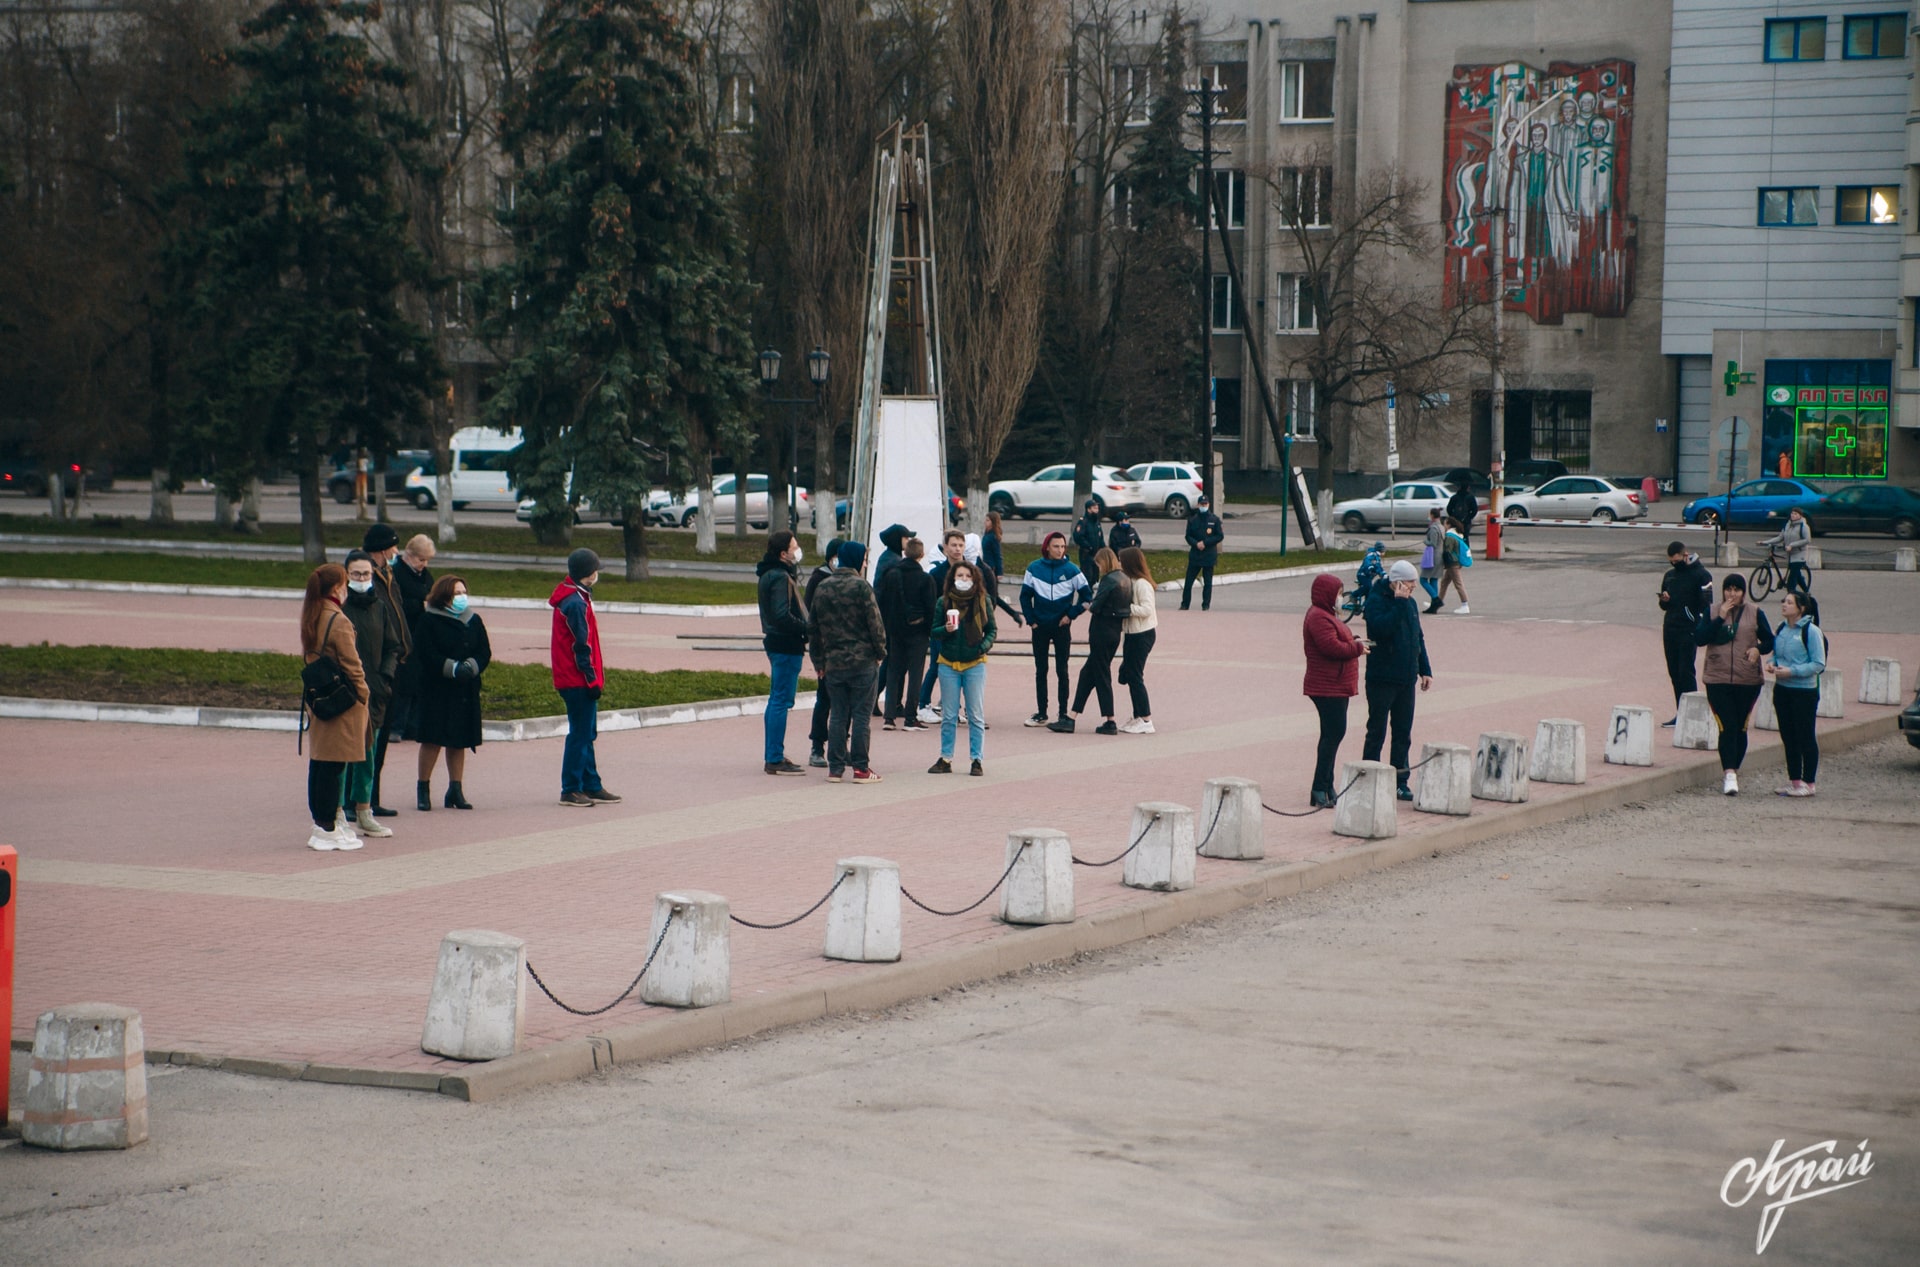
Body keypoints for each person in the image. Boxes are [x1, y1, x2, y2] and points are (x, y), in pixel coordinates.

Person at [807, 541, 888, 783]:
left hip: (834, 663)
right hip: (863, 662)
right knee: (862, 715)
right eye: (864, 559)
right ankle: (861, 768)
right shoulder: (862, 587)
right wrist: (880, 651)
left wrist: (818, 661)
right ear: (856, 559)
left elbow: (813, 628)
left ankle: (835, 767)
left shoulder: (823, 587)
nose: (865, 563)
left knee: (838, 714)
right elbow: (876, 624)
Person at [300, 564, 368, 852]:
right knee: (334, 767)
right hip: (342, 701)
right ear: (335, 588)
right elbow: (352, 663)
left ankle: (322, 823)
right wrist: (363, 693)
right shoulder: (337, 619)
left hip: (320, 698)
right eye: (344, 582)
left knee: (320, 763)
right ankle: (327, 827)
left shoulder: (313, 613)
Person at [411, 574, 491, 809]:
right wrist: (451, 668)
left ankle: (455, 789)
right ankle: (423, 788)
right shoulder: (429, 620)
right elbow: (425, 653)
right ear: (444, 595)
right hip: (437, 689)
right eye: (456, 593)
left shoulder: (473, 620)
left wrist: (472, 666)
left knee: (459, 741)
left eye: (463, 592)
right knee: (432, 739)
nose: (461, 597)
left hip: (465, 689)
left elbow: (484, 651)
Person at [552, 547, 620, 807]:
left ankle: (591, 784)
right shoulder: (575, 604)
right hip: (577, 680)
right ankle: (570, 788)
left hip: (577, 678)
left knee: (587, 733)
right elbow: (581, 646)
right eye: (595, 570)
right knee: (580, 734)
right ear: (588, 574)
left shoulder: (577, 597)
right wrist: (591, 680)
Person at [339, 550, 399, 839]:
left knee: (368, 754)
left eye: (366, 574)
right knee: (340, 755)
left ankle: (364, 811)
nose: (362, 579)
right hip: (345, 693)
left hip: (374, 693)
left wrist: (385, 677)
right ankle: (338, 812)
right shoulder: (339, 609)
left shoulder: (380, 608)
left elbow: (393, 646)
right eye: (356, 574)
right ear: (346, 576)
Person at [1362, 560, 1434, 801]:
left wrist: (1424, 669)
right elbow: (1381, 629)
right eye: (1409, 586)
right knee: (1377, 730)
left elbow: (1418, 637)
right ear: (1396, 583)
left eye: (1414, 587)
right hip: (1382, 678)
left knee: (1403, 732)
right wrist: (1400, 603)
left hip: (1406, 678)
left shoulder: (1410, 603)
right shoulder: (1376, 601)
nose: (1412, 590)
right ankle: (1369, 776)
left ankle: (1400, 781)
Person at [1696, 573, 1774, 796]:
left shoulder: (1755, 612)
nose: (1732, 594)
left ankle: (1735, 769)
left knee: (1740, 727)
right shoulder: (1711, 611)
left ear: (1743, 592)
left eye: (1736, 590)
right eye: (1728, 589)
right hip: (1717, 678)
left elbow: (1770, 640)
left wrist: (1758, 649)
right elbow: (1700, 638)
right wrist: (1719, 618)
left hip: (1747, 679)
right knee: (1726, 725)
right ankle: (1728, 773)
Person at [361, 523, 412, 817]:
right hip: (378, 668)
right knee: (369, 738)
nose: (396, 551)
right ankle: (359, 799)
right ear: (381, 548)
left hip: (394, 665)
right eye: (392, 546)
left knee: (380, 740)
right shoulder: (368, 577)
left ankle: (372, 796)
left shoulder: (387, 575)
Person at [1303, 571, 1367, 807]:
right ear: (1327, 594)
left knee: (1334, 734)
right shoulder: (1318, 617)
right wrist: (1357, 648)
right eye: (1339, 594)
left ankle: (1327, 785)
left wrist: (1355, 642)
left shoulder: (1327, 615)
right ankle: (1319, 788)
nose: (1341, 598)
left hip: (1336, 685)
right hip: (1326, 686)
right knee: (1332, 735)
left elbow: (1340, 641)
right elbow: (1331, 648)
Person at [929, 559, 996, 775]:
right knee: (949, 715)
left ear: (975, 579)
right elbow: (934, 631)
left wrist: (982, 647)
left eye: (968, 576)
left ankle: (977, 759)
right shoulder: (944, 602)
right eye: (960, 576)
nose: (964, 580)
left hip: (974, 663)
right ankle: (945, 758)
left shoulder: (983, 601)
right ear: (952, 579)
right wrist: (945, 629)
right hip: (948, 663)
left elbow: (992, 630)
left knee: (975, 714)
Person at [1052, 548, 1127, 735]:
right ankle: (1071, 717)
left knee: (1101, 675)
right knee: (1088, 674)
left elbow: (1096, 606)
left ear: (1105, 562)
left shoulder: (1109, 580)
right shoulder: (1124, 579)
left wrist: (1088, 605)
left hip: (1101, 632)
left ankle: (1110, 720)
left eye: (1099, 564)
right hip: (1115, 632)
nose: (1099, 568)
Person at [1019, 531, 1088, 727]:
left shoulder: (1073, 570)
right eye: (1056, 546)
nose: (1060, 550)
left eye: (1063, 546)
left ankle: (1063, 712)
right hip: (1039, 626)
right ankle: (1041, 712)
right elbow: (1024, 597)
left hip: (1061, 627)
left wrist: (1071, 615)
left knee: (1062, 670)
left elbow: (1087, 598)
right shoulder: (1034, 568)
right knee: (1041, 670)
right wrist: (1031, 620)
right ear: (1047, 547)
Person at [756, 530, 809, 776]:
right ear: (783, 553)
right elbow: (780, 615)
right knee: (780, 700)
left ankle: (773, 754)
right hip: (786, 644)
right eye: (794, 546)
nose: (798, 549)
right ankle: (774, 757)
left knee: (777, 699)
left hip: (779, 643)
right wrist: (807, 628)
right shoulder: (779, 577)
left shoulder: (771, 573)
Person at [1762, 590, 1825, 797]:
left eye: (1789, 602)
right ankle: (1795, 781)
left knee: (1805, 735)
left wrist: (1793, 671)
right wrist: (1772, 664)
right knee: (1788, 736)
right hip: (1782, 689)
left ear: (1801, 608)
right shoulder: (1782, 629)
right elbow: (1776, 655)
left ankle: (1809, 782)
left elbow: (1818, 664)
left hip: (1804, 691)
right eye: (1784, 601)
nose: (1784, 605)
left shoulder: (1811, 631)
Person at [877, 536, 935, 730]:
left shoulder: (891, 574)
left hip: (894, 631)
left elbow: (883, 603)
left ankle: (889, 717)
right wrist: (928, 632)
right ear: (921, 555)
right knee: (915, 673)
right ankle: (910, 717)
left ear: (905, 553)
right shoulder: (925, 579)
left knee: (893, 672)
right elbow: (931, 609)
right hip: (918, 632)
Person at [1657, 541, 1715, 725]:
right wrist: (1665, 600)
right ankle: (1680, 712)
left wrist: (1697, 625)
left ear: (1685, 555)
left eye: (1677, 560)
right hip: (1670, 628)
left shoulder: (1702, 575)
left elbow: (1707, 605)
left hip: (1689, 630)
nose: (1674, 564)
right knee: (1674, 672)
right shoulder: (1670, 576)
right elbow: (1664, 605)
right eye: (1671, 561)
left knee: (1685, 671)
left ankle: (1692, 714)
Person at [916, 530, 970, 723]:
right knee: (937, 666)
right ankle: (922, 705)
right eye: (953, 545)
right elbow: (931, 603)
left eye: (960, 545)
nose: (957, 549)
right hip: (943, 628)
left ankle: (953, 708)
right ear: (945, 548)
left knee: (961, 668)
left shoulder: (969, 571)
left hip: (965, 629)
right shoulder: (937, 574)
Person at [803, 537, 845, 765]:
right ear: (831, 558)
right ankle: (817, 746)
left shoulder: (851, 580)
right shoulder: (819, 579)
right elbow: (811, 618)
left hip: (848, 653)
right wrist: (818, 659)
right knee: (825, 700)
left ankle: (841, 746)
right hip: (827, 652)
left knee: (846, 703)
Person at [1116, 546, 1158, 734]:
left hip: (1143, 634)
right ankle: (1137, 715)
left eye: (1120, 560)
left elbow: (1147, 609)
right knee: (1129, 674)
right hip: (1132, 634)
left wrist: (1127, 608)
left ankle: (1146, 719)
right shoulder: (1129, 581)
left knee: (1135, 676)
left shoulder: (1142, 584)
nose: (1118, 563)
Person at [1181, 494, 1224, 611]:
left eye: (1205, 504)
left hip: (1209, 555)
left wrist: (1206, 543)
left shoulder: (1214, 520)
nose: (1203, 506)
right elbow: (1188, 536)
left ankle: (1205, 605)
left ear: (1208, 505)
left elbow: (1219, 536)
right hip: (1195, 555)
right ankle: (1185, 604)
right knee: (1188, 582)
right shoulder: (1193, 519)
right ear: (1198, 505)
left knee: (1207, 582)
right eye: (1201, 504)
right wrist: (1196, 544)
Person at [1762, 507, 1813, 595]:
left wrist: (1791, 545)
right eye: (1792, 513)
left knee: (1792, 579)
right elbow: (1780, 537)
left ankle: (1791, 595)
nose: (1793, 515)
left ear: (1800, 516)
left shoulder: (1804, 526)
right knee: (1797, 575)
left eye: (1796, 514)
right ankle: (1806, 592)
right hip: (1790, 554)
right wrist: (1765, 542)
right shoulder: (1788, 525)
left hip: (1800, 554)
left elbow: (1807, 540)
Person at [1436, 517, 1471, 614]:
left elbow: (1447, 551)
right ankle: (1438, 602)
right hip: (1455, 562)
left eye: (1445, 524)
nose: (1444, 526)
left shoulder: (1450, 536)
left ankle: (1465, 605)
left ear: (1449, 525)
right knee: (1444, 583)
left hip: (1453, 564)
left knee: (1458, 584)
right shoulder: (1457, 534)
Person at [1071, 498, 1106, 579]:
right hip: (1086, 554)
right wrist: (1088, 547)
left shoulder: (1097, 522)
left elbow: (1100, 537)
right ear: (1088, 509)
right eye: (1094, 508)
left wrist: (1103, 548)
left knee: (1095, 575)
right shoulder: (1083, 522)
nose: (1097, 510)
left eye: (1097, 508)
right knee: (1087, 575)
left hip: (1097, 554)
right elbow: (1078, 536)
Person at [1419, 509, 1445, 613]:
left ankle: (1436, 599)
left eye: (1429, 514)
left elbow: (1433, 543)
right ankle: (1434, 605)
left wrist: (1425, 541)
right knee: (1433, 579)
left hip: (1433, 556)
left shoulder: (1434, 528)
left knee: (1423, 579)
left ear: (1433, 515)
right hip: (1440, 555)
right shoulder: (1441, 526)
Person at [1445, 470, 1479, 543]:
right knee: (1465, 537)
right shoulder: (1471, 498)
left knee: (1456, 537)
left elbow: (1449, 509)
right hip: (1466, 521)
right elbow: (1475, 510)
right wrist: (1469, 517)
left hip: (1455, 521)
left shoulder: (1454, 497)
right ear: (1468, 488)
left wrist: (1453, 517)